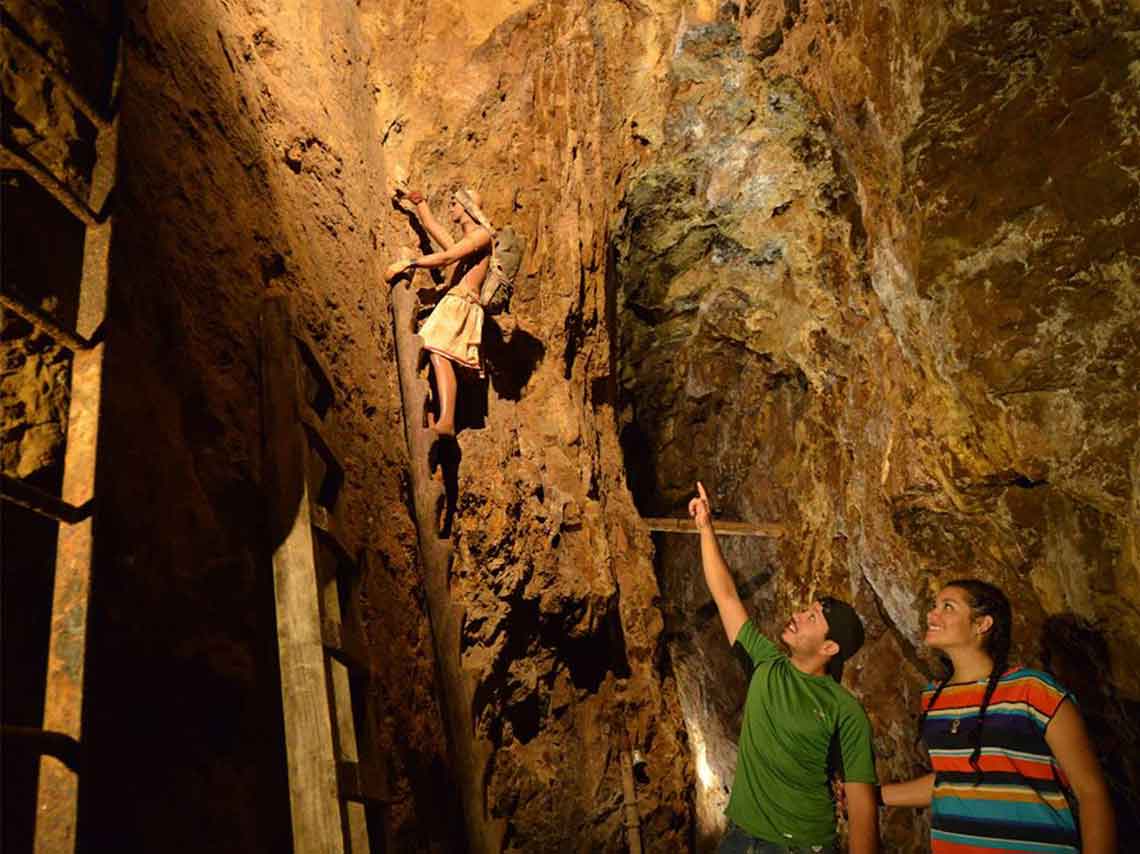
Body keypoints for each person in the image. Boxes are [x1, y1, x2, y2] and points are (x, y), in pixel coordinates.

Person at [688, 482, 879, 854]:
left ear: (829, 647)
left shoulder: (845, 710)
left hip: (800, 846)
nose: (797, 616)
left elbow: (861, 807)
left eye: (811, 617)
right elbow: (726, 596)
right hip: (739, 836)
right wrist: (706, 526)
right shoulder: (765, 661)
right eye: (804, 610)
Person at [881, 579, 1117, 853]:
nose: (931, 614)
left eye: (948, 607)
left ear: (982, 624)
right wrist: (873, 795)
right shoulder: (933, 698)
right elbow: (951, 782)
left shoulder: (1033, 690)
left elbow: (1090, 792)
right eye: (934, 606)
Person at [385, 186, 492, 437]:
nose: (451, 207)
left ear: (466, 208)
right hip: (453, 303)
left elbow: (446, 258)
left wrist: (410, 263)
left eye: (455, 203)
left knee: (437, 352)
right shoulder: (469, 240)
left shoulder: (481, 236)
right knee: (434, 353)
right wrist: (416, 202)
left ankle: (446, 420)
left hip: (460, 305)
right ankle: (438, 414)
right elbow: (433, 226)